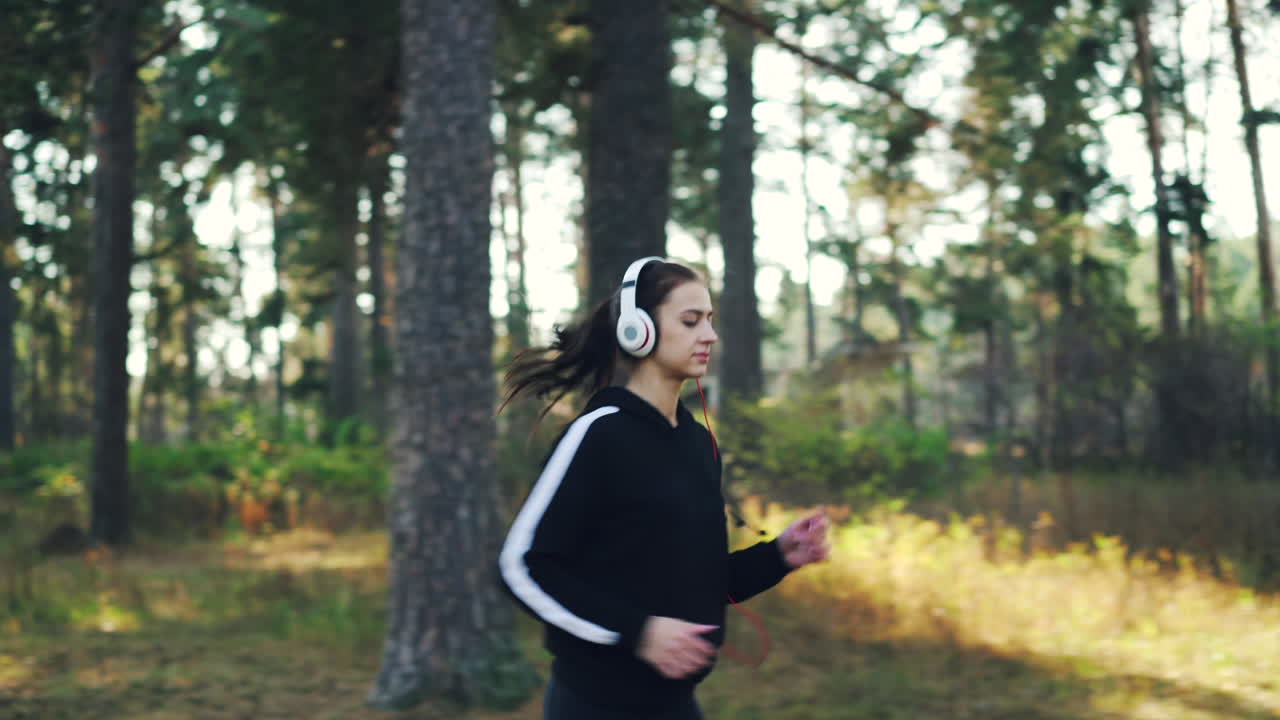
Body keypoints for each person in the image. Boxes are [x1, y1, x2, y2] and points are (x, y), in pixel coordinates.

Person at [498, 257, 830, 720]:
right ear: (639, 330)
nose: (709, 335)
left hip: (674, 706)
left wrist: (778, 557)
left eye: (709, 321)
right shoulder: (600, 435)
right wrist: (638, 632)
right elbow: (522, 567)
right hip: (597, 705)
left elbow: (699, 580)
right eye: (690, 321)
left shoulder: (697, 442)